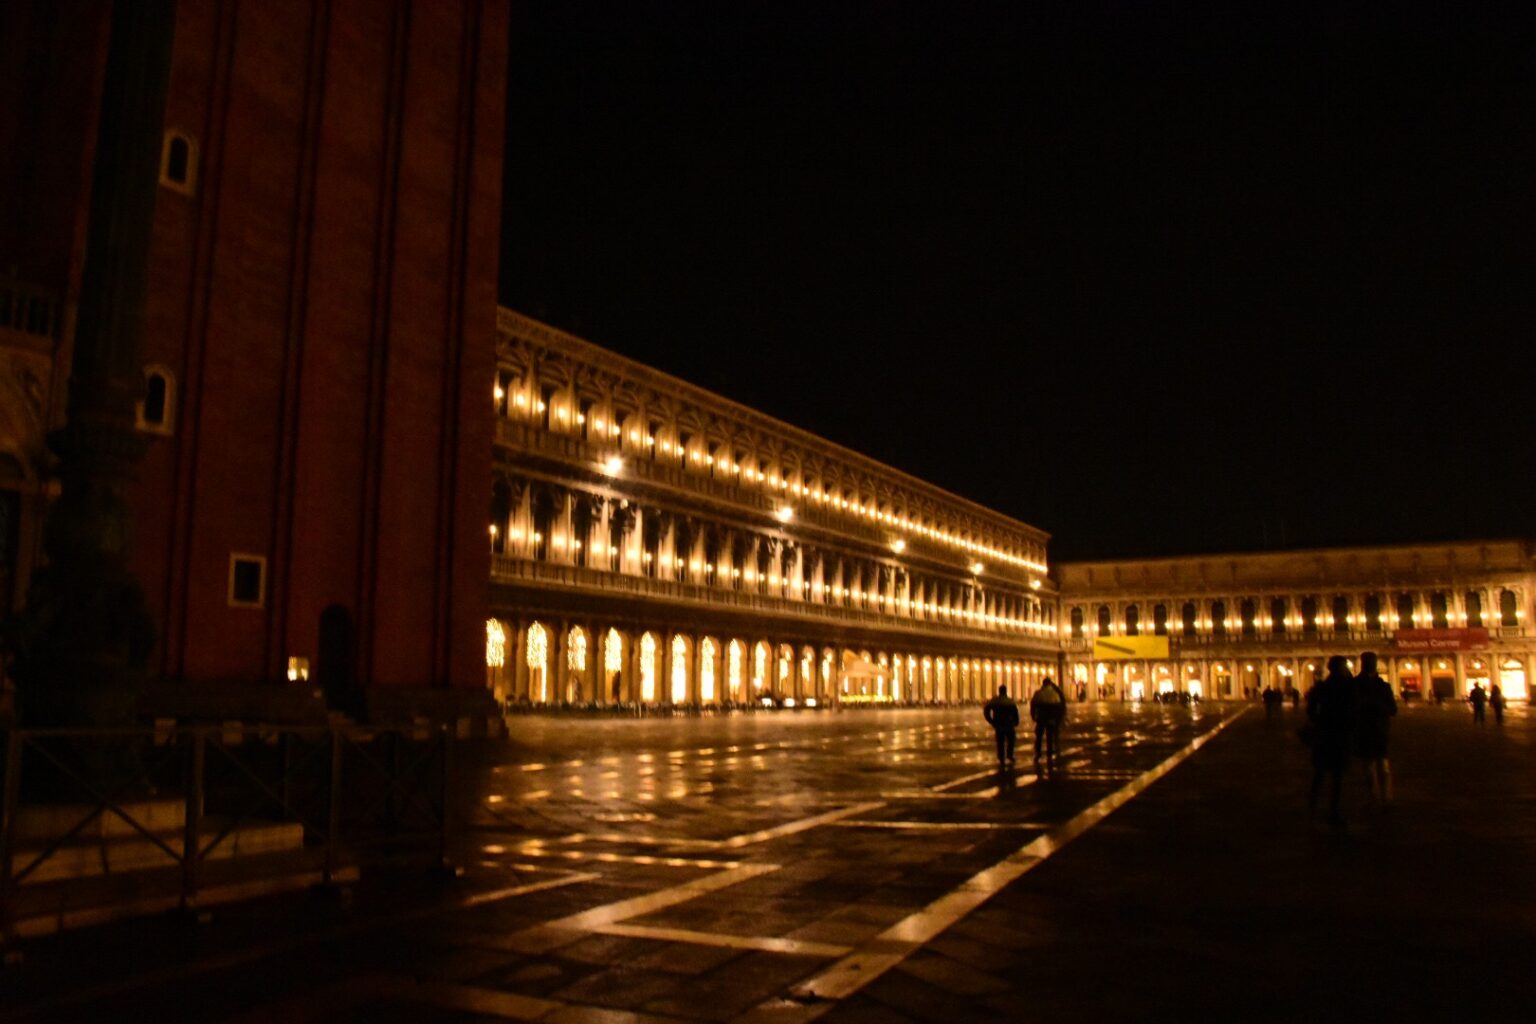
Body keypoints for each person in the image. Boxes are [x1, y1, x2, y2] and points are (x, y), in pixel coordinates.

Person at [1307, 655, 1355, 828]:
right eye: (1345, 667)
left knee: (1320, 774)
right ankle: (1333, 811)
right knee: (1337, 776)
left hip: (1324, 734)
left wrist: (1320, 721)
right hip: (1340, 734)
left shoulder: (1322, 687)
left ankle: (1312, 807)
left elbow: (1311, 710)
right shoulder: (1348, 687)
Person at [1353, 652, 1396, 805]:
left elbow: (1393, 709)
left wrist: (1378, 706)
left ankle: (1386, 796)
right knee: (1369, 767)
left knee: (1383, 766)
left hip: (1379, 730)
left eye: (1373, 661)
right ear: (1363, 663)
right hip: (1364, 730)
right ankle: (1373, 796)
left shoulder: (1383, 686)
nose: (1371, 664)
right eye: (1368, 661)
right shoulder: (1355, 685)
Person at [1030, 676, 1067, 768]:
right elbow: (1060, 708)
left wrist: (1034, 716)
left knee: (1039, 736)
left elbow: (1033, 706)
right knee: (1050, 736)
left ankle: (1038, 752)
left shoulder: (1038, 693)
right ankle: (1049, 753)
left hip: (1041, 717)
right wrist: (1059, 719)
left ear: (1043, 683)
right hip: (1051, 718)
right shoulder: (1055, 694)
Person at [982, 684, 1020, 766]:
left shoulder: (995, 700)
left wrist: (990, 720)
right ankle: (1010, 754)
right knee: (1011, 740)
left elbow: (986, 710)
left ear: (999, 691)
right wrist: (1016, 722)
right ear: (1006, 691)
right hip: (1009, 723)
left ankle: (1001, 757)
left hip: (998, 723)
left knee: (1000, 741)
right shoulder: (1010, 701)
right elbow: (1015, 713)